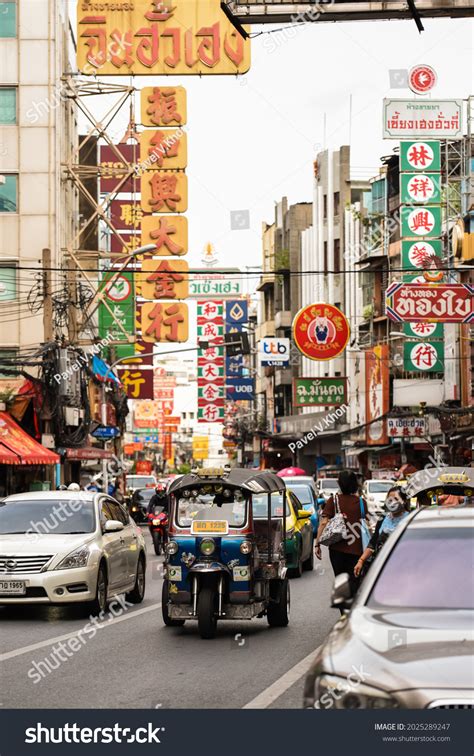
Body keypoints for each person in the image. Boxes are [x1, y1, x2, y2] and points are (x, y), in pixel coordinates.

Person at [315, 470, 369, 597]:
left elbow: (323, 523)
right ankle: (353, 612)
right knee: (355, 583)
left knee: (341, 582)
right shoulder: (361, 502)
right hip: (357, 551)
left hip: (337, 551)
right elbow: (367, 525)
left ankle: (344, 613)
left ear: (340, 484)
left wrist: (317, 544)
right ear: (355, 484)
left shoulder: (333, 500)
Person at [354, 486, 410, 578]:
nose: (392, 502)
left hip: (403, 569)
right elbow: (373, 544)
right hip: (381, 568)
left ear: (403, 501)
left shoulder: (410, 519)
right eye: (389, 499)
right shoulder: (383, 518)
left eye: (396, 499)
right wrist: (361, 561)